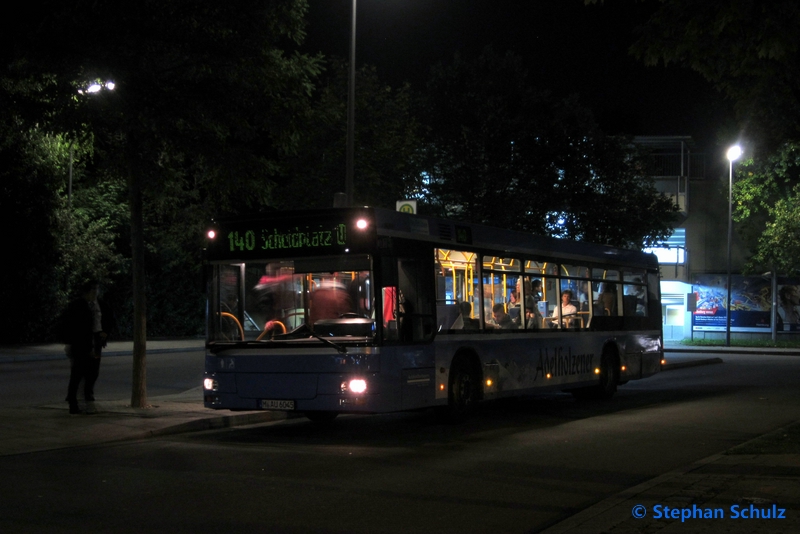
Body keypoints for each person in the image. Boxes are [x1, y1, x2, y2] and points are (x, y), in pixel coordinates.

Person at [62, 281, 114, 414]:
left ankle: (88, 393)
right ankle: (73, 401)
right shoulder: (77, 305)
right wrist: (70, 342)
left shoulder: (101, 305)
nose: (95, 293)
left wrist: (104, 333)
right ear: (86, 292)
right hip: (81, 344)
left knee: (94, 369)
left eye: (97, 289)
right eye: (93, 290)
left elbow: (109, 319)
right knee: (77, 372)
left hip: (96, 342)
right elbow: (70, 324)